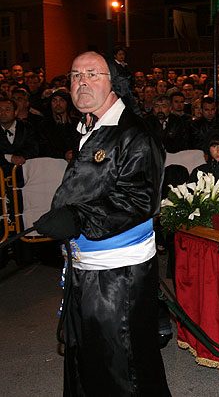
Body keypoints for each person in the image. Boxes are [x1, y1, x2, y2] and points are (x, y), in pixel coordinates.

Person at [33, 51, 170, 396]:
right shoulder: (88, 126)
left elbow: (139, 200)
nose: (81, 83)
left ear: (115, 83)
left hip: (118, 276)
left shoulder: (135, 134)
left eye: (92, 74)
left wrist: (77, 217)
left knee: (122, 362)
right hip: (84, 265)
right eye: (76, 75)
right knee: (85, 357)